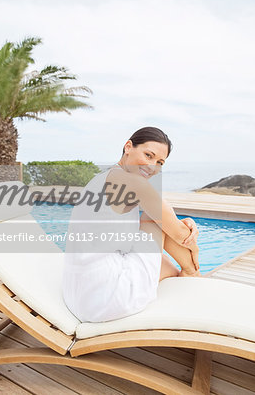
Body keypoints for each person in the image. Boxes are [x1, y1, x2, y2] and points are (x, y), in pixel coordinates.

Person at [63, 126, 200, 322]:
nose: (152, 167)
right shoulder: (130, 181)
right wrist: (193, 249)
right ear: (128, 146)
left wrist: (179, 223)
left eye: (160, 162)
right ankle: (192, 273)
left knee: (165, 259)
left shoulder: (104, 177)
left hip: (80, 294)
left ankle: (187, 273)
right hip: (107, 297)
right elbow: (178, 233)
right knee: (155, 221)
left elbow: (167, 220)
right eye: (148, 155)